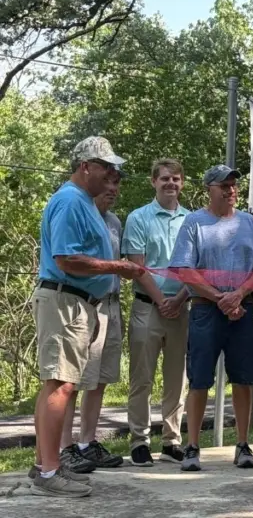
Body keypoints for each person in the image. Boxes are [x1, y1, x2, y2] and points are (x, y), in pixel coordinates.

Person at [29, 136, 144, 498]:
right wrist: (118, 267)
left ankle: (46, 464)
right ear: (85, 167)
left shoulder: (84, 203)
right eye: (106, 167)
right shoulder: (69, 202)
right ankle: (49, 472)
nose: (111, 174)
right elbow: (66, 260)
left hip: (77, 303)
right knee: (60, 383)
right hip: (64, 300)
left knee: (60, 383)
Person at [169, 165, 253, 472]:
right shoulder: (194, 223)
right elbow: (184, 270)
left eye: (234, 185)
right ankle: (193, 446)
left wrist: (237, 295)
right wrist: (219, 297)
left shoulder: (249, 222)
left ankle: (243, 444)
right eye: (223, 185)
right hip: (205, 310)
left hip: (243, 310)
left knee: (244, 379)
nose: (231, 190)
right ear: (208, 188)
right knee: (199, 380)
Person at [123, 158, 191, 467]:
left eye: (176, 179)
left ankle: (171, 441)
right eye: (165, 178)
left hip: (182, 306)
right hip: (147, 307)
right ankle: (139, 440)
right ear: (154, 182)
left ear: (182, 183)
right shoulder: (138, 218)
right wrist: (162, 300)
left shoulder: (192, 221)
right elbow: (137, 266)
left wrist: (177, 300)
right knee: (142, 378)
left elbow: (196, 269)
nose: (170, 183)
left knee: (177, 378)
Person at [60, 168, 126, 471]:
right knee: (70, 380)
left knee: (99, 379)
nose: (112, 189)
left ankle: (87, 442)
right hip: (83, 304)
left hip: (111, 303)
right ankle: (65, 446)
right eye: (108, 182)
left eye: (117, 184)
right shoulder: (79, 212)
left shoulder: (114, 222)